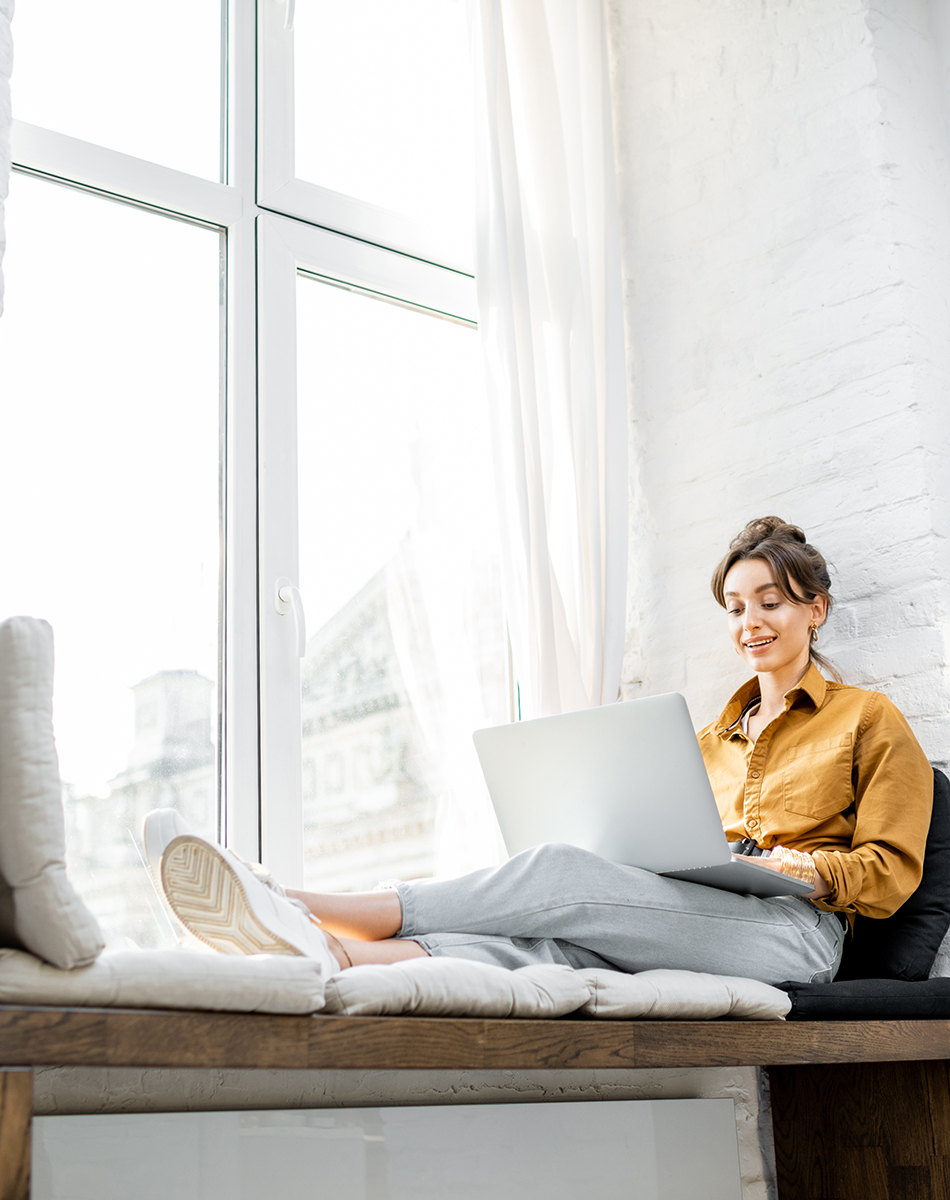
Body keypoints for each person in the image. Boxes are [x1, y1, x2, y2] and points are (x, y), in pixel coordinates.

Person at [145, 517, 934, 986]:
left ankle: (302, 903)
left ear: (815, 609)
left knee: (560, 874)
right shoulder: (703, 740)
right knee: (546, 941)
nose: (749, 623)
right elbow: (675, 850)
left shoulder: (869, 720)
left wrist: (794, 867)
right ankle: (331, 956)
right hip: (705, 912)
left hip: (796, 937)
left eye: (770, 602)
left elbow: (892, 877)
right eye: (735, 607)